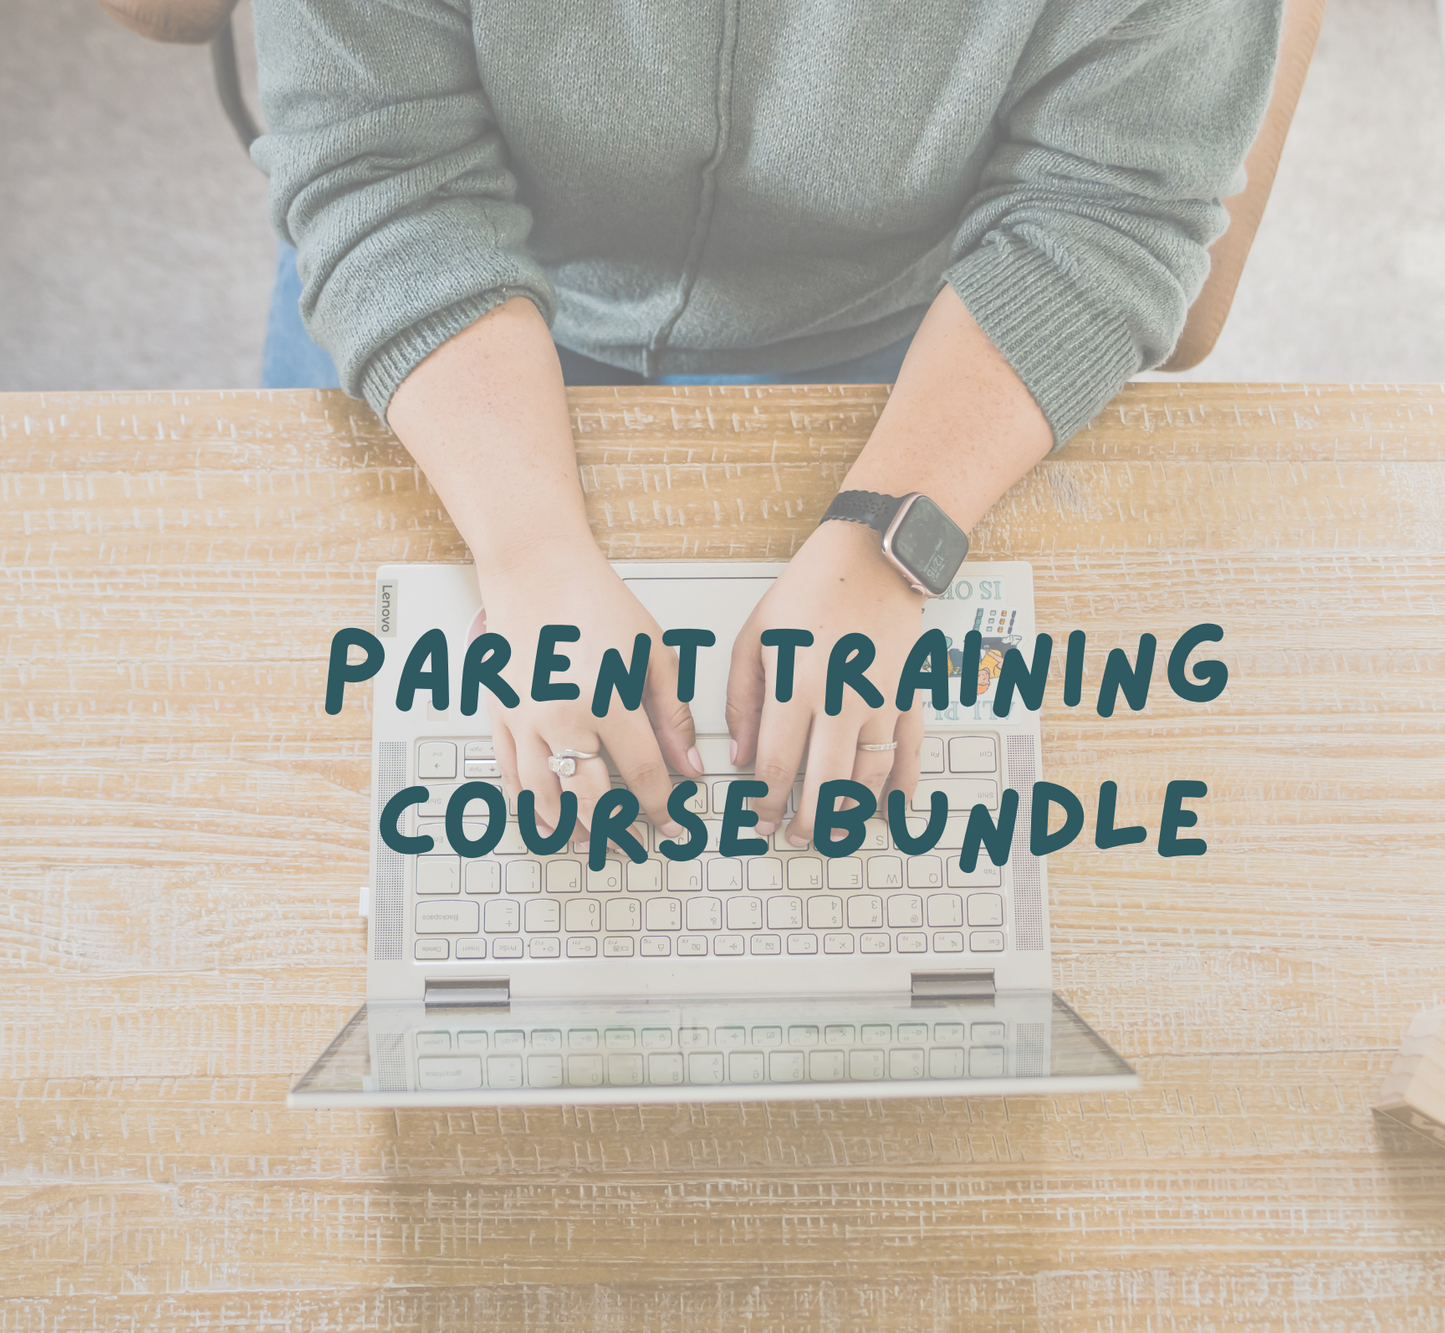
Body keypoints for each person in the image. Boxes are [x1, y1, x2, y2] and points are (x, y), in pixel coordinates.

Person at [251, 0, 1281, 848]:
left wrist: (890, 537)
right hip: (441, 293)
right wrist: (526, 545)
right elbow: (380, 167)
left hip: (932, 334)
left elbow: (1106, 208)